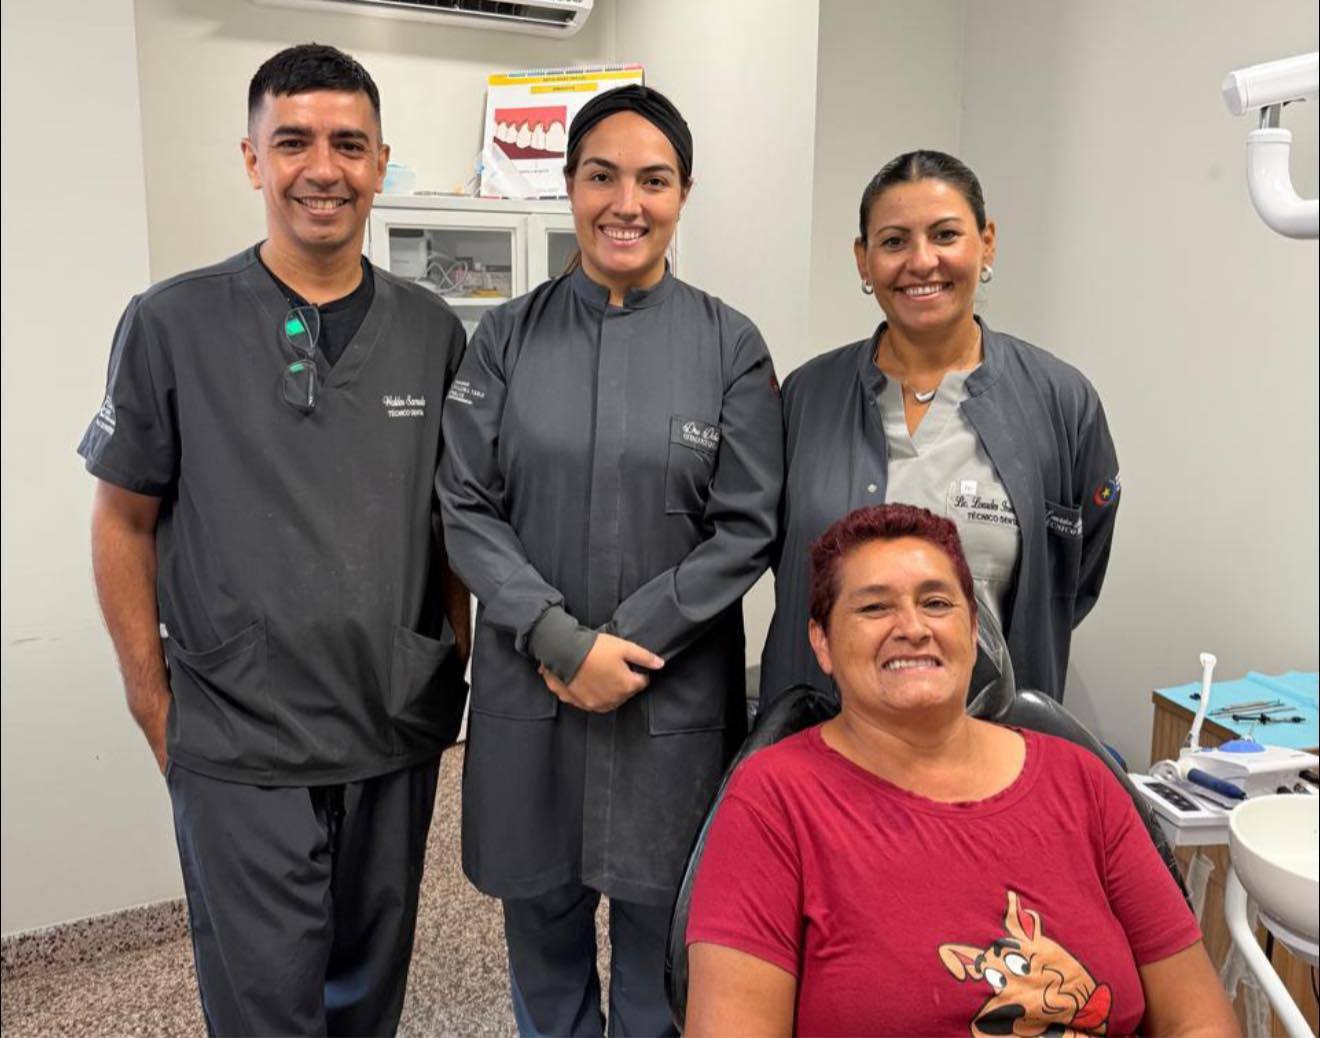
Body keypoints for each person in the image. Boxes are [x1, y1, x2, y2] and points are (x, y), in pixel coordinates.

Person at [79, 44, 469, 1036]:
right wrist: (153, 703)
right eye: (293, 142)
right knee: (266, 1009)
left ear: (381, 163)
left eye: (349, 144)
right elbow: (123, 518)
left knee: (368, 995)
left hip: (390, 725)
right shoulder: (172, 323)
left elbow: (453, 522)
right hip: (239, 736)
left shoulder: (433, 333)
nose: (322, 168)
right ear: (252, 159)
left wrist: (451, 662)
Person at [438, 84, 783, 1037]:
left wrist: (620, 643)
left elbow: (747, 526)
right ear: (569, 185)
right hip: (533, 689)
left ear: (684, 194)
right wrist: (560, 640)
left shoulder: (729, 345)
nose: (626, 203)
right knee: (542, 946)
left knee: (660, 960)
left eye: (653, 180)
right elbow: (464, 505)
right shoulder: (504, 339)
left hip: (667, 699)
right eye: (602, 176)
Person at [686, 504, 1239, 1038]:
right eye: (874, 607)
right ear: (822, 642)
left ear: (973, 630)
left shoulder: (1083, 782)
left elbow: (1198, 1020)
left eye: (936, 603)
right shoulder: (774, 802)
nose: (912, 627)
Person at [761, 151, 1120, 709]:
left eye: (945, 235)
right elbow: (771, 548)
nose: (922, 261)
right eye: (894, 241)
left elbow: (1071, 579)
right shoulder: (807, 396)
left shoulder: (1060, 401)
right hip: (821, 732)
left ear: (987, 242)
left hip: (985, 734)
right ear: (863, 260)